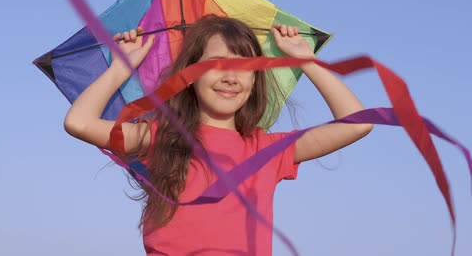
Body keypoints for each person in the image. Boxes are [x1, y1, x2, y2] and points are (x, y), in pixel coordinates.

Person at [64, 15, 373, 255]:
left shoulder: (266, 149)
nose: (229, 76)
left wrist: (305, 60)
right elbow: (79, 121)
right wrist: (122, 67)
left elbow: (357, 123)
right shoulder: (161, 138)